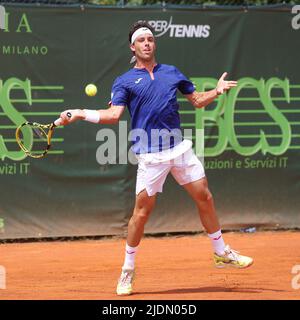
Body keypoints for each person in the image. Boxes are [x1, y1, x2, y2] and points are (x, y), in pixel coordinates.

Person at [60, 20, 253, 296]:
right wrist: (80, 112)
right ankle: (127, 271)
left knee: (204, 197)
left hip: (179, 149)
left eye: (150, 39)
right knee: (141, 213)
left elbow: (196, 100)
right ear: (133, 47)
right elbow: (113, 116)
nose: (147, 43)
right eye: (141, 40)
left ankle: (221, 252)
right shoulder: (124, 81)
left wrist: (217, 91)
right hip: (151, 155)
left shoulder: (171, 72)